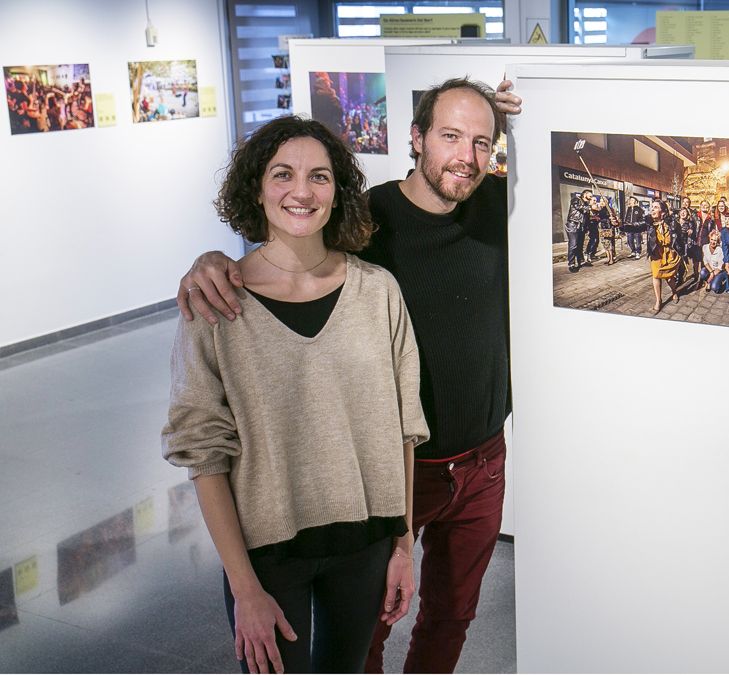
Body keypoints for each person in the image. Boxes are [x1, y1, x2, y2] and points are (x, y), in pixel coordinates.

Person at [176, 77, 522, 675]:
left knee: (452, 615)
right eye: (449, 136)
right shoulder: (368, 221)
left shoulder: (502, 203)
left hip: (482, 459)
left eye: (480, 142)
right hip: (392, 470)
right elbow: (290, 242)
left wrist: (531, 109)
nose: (465, 156)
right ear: (416, 138)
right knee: (369, 632)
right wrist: (212, 261)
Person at [163, 115, 429, 674]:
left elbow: (405, 427)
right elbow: (204, 457)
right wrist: (244, 589)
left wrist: (404, 548)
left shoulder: (377, 292)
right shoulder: (215, 305)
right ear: (257, 189)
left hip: (366, 543)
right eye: (283, 174)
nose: (302, 191)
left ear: (338, 194)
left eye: (320, 177)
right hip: (268, 557)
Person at [646, 199, 681, 313]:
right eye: (652, 207)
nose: (652, 209)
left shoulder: (672, 223)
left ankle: (674, 291)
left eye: (656, 207)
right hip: (656, 254)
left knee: (670, 278)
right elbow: (634, 226)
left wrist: (682, 251)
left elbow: (680, 236)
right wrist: (619, 224)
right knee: (656, 276)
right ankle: (658, 300)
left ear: (663, 212)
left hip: (669, 254)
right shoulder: (649, 223)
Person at [563, 195, 587, 272]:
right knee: (573, 245)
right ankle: (571, 264)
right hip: (573, 224)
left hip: (580, 226)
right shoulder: (576, 199)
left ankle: (580, 262)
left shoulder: (585, 203)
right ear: (585, 194)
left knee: (579, 245)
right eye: (590, 194)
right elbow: (577, 206)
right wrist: (588, 207)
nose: (591, 196)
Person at [699, 228, 725, 293]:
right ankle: (710, 280)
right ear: (709, 239)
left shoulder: (720, 250)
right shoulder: (705, 247)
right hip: (710, 269)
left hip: (718, 271)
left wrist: (711, 276)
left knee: (714, 288)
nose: (713, 242)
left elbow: (719, 268)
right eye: (712, 239)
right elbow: (705, 262)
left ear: (718, 241)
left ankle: (718, 282)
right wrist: (711, 272)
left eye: (715, 241)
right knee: (702, 272)